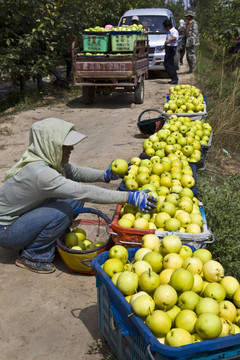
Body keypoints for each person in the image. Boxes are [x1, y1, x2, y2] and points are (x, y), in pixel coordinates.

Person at [0, 118, 157, 274]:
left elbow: (74, 172)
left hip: (23, 217)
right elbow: (85, 192)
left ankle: (46, 236)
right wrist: (129, 198)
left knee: (72, 201)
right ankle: (33, 255)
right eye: (66, 146)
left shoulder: (44, 159)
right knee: (62, 212)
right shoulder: (41, 174)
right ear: (50, 145)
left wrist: (105, 175)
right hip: (7, 231)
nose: (72, 148)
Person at [162, 19, 179, 85]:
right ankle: (174, 78)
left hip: (172, 49)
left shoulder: (174, 31)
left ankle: (174, 78)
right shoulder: (169, 32)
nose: (164, 28)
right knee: (168, 63)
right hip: (168, 48)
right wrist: (164, 46)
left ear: (168, 26)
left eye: (164, 27)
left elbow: (175, 37)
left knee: (168, 64)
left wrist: (170, 39)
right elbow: (167, 40)